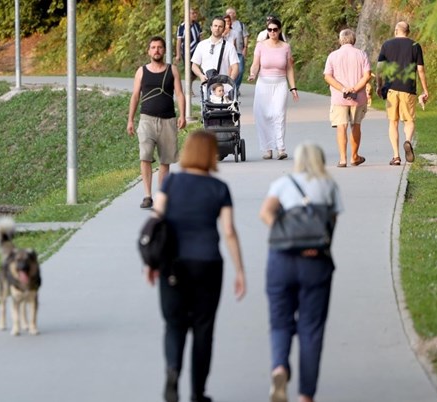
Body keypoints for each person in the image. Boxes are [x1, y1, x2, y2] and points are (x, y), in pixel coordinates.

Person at [144, 129, 246, 402]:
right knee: (203, 328)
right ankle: (198, 392)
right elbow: (229, 231)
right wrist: (240, 271)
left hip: (173, 264)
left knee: (174, 324)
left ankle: (173, 373)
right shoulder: (219, 188)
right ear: (212, 154)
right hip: (208, 265)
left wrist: (151, 262)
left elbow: (156, 220)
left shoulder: (172, 183)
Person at [258, 142, 342, 402]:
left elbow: (266, 213)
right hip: (315, 264)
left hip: (281, 260)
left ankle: (280, 367)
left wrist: (287, 236)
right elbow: (330, 226)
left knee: (280, 321)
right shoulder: (329, 186)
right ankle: (306, 395)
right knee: (311, 329)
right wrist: (312, 245)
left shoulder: (283, 184)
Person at [128, 36, 187, 209]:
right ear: (148, 51)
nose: (156, 50)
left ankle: (161, 195)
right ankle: (147, 195)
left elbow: (180, 94)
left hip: (168, 120)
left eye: (159, 47)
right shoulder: (141, 71)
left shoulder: (172, 70)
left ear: (164, 50)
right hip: (146, 119)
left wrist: (182, 115)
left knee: (165, 160)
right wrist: (130, 119)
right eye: (153, 47)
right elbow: (135, 96)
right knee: (145, 155)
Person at [376, 21, 429, 166]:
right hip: (408, 89)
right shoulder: (415, 45)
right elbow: (420, 70)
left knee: (393, 122)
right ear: (408, 32)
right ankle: (408, 141)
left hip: (391, 88)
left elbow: (380, 69)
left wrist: (379, 86)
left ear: (395, 30)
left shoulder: (387, 45)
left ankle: (396, 156)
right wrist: (425, 90)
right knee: (409, 120)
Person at [248, 18, 298, 160]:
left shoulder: (285, 47)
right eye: (269, 30)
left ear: (280, 30)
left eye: (275, 30)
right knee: (263, 115)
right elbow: (255, 64)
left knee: (279, 114)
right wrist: (253, 74)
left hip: (280, 83)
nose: (272, 32)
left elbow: (289, 69)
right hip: (263, 83)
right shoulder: (261, 46)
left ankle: (281, 148)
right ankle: (267, 148)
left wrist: (293, 87)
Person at [323, 29, 372, 167]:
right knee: (356, 126)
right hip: (358, 97)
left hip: (339, 97)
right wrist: (355, 89)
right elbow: (367, 75)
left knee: (341, 126)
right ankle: (354, 157)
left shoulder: (333, 56)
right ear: (354, 40)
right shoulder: (361, 54)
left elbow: (327, 76)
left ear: (340, 40)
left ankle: (343, 159)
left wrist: (343, 89)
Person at [191, 16, 240, 84]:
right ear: (211, 27)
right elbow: (194, 65)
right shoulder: (201, 45)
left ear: (223, 29)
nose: (217, 28)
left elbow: (235, 67)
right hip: (206, 86)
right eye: (215, 26)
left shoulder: (229, 46)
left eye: (220, 26)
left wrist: (230, 81)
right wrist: (201, 76)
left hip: (223, 87)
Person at [225, 7, 249, 94]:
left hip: (239, 51)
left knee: (241, 70)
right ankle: (230, 88)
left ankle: (236, 87)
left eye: (232, 12)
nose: (230, 14)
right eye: (228, 13)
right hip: (226, 53)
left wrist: (245, 47)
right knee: (229, 71)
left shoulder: (240, 24)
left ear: (235, 14)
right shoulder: (223, 24)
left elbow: (245, 36)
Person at [175, 8, 202, 73]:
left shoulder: (197, 25)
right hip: (186, 52)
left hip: (196, 51)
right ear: (187, 14)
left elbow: (201, 38)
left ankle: (191, 81)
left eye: (195, 13)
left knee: (196, 70)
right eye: (193, 13)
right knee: (189, 70)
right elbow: (179, 41)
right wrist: (178, 54)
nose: (195, 15)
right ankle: (189, 82)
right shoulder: (182, 27)